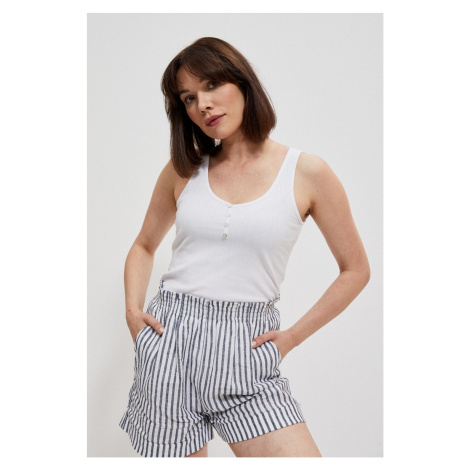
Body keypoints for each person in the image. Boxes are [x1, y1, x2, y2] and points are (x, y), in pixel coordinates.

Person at [119, 37, 370, 458]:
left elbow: (356, 270)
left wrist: (291, 338)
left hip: (247, 349)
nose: (203, 104)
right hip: (167, 345)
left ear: (243, 83)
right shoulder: (183, 170)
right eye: (188, 98)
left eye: (212, 85)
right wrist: (132, 313)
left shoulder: (306, 171)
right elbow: (144, 245)